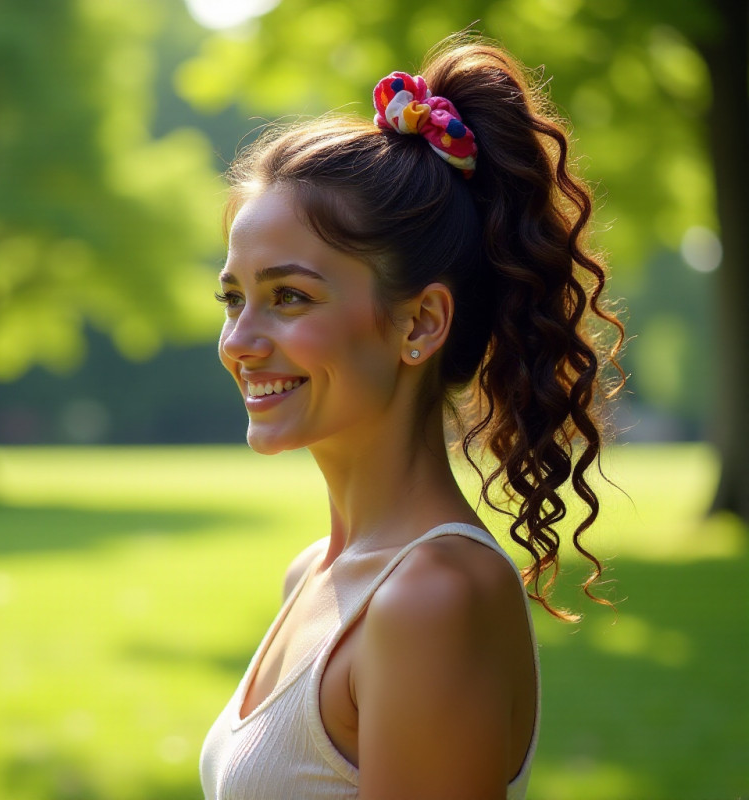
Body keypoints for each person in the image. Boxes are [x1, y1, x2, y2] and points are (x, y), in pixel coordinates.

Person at [200, 33, 623, 800]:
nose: (240, 342)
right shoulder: (316, 573)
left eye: (289, 297)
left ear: (420, 323)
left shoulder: (431, 597)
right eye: (234, 298)